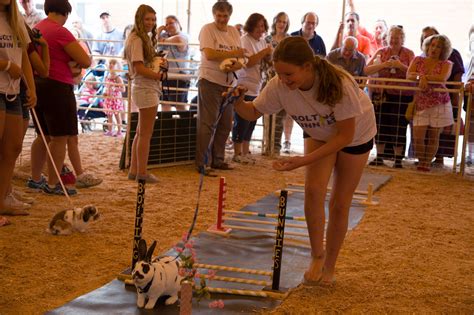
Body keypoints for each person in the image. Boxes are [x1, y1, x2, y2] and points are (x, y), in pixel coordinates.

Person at [228, 36, 376, 285]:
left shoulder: (339, 84)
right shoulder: (278, 85)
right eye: (279, 74)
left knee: (340, 202)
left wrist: (304, 160)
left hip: (355, 135)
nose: (284, 81)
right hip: (319, 131)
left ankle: (330, 264)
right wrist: (236, 100)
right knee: (313, 191)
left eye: (289, 74)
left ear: (307, 67)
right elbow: (252, 111)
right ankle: (317, 255)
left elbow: (344, 136)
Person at [28, 0, 102, 194]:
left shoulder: (37, 28)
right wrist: (74, 65)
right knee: (59, 138)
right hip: (58, 86)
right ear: (66, 12)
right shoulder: (60, 31)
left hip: (38, 84)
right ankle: (53, 184)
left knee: (42, 136)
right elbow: (85, 60)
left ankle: (35, 178)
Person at [195, 0, 245, 175]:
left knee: (225, 124)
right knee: (207, 123)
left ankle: (218, 159)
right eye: (219, 15)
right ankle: (203, 162)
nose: (222, 19)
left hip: (229, 82)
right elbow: (209, 54)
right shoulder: (207, 29)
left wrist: (236, 64)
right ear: (213, 15)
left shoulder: (233, 31)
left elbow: (242, 57)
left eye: (225, 16)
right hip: (209, 81)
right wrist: (234, 54)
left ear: (229, 16)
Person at [0, 0, 37, 216]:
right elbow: (14, 62)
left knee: (12, 148)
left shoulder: (17, 21)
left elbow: (24, 58)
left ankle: (3, 198)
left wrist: (31, 88)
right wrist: (6, 65)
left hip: (13, 91)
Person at [124, 4, 165, 183]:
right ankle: (142, 172)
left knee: (141, 132)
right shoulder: (138, 40)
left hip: (144, 86)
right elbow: (139, 68)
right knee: (145, 133)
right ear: (139, 20)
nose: (151, 22)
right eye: (147, 19)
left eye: (153, 19)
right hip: (145, 87)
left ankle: (135, 170)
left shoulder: (138, 38)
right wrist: (158, 75)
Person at [364, 26, 415, 168]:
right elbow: (367, 69)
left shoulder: (409, 53)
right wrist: (384, 65)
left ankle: (398, 159)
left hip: (401, 95)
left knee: (398, 126)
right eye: (391, 37)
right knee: (380, 124)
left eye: (397, 38)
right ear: (387, 38)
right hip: (381, 94)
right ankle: (380, 157)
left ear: (402, 39)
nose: (394, 40)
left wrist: (400, 66)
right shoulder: (381, 52)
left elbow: (415, 73)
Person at [419, 27, 465, 167]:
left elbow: (454, 76)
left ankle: (438, 159)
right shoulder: (421, 57)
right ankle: (424, 161)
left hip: (446, 97)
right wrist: (421, 78)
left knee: (439, 132)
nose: (433, 47)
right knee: (423, 133)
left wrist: (455, 95)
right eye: (426, 38)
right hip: (424, 100)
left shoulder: (452, 55)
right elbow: (412, 74)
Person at [407, 34, 454, 172]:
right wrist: (420, 77)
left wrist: (423, 77)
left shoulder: (446, 64)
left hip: (440, 103)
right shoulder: (418, 59)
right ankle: (421, 161)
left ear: (443, 50)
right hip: (421, 102)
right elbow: (409, 75)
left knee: (434, 136)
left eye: (438, 46)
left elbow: (442, 78)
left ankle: (426, 164)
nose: (434, 49)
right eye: (432, 45)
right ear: (428, 46)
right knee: (418, 136)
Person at [232, 13, 272, 164]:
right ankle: (237, 152)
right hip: (245, 84)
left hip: (257, 85)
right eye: (258, 26)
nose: (261, 29)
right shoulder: (244, 40)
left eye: (262, 26)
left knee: (251, 120)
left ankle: (245, 151)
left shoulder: (262, 42)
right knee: (241, 120)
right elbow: (248, 62)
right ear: (251, 26)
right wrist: (265, 52)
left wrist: (269, 55)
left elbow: (264, 61)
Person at [264, 11, 290, 155]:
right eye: (279, 21)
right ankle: (266, 146)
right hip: (268, 78)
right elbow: (265, 58)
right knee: (267, 113)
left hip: (284, 81)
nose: (281, 24)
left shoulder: (289, 40)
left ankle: (276, 147)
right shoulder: (267, 39)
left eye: (284, 22)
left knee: (280, 115)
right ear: (275, 22)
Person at [157, 15, 190, 109]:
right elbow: (152, 42)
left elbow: (178, 40)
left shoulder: (183, 36)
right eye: (166, 24)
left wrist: (162, 40)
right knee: (164, 104)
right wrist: (159, 31)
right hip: (164, 76)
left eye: (171, 23)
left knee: (179, 106)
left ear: (178, 23)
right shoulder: (163, 36)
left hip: (178, 77)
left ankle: (184, 123)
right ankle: (167, 123)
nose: (168, 26)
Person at [103, 58, 125, 137]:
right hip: (108, 99)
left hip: (115, 99)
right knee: (109, 115)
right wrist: (105, 92)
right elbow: (106, 86)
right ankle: (110, 130)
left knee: (117, 115)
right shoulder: (107, 76)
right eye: (110, 63)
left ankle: (119, 131)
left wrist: (115, 88)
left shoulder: (118, 78)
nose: (111, 65)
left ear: (117, 66)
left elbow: (123, 89)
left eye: (113, 63)